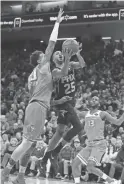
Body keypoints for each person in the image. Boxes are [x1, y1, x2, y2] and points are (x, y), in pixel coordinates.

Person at [1, 8, 66, 184]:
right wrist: (57, 23)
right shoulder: (43, 66)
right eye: (43, 55)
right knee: (26, 143)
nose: (46, 55)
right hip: (37, 107)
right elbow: (52, 43)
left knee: (29, 144)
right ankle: (6, 172)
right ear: (39, 59)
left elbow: (35, 91)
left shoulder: (33, 74)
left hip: (35, 106)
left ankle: (20, 176)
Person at [40, 40, 86, 171]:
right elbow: (64, 73)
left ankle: (45, 158)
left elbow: (82, 64)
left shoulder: (70, 64)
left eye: (61, 53)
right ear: (53, 59)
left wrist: (77, 54)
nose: (60, 54)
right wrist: (67, 58)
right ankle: (56, 152)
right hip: (62, 103)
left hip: (70, 102)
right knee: (78, 126)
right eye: (57, 54)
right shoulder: (54, 71)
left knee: (60, 132)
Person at [72, 95, 124, 184]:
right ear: (89, 102)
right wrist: (77, 103)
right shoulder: (85, 113)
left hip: (99, 144)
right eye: (92, 99)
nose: (94, 100)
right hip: (89, 145)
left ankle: (110, 180)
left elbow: (118, 122)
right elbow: (74, 112)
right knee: (75, 163)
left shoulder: (102, 113)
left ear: (98, 104)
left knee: (90, 167)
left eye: (96, 99)